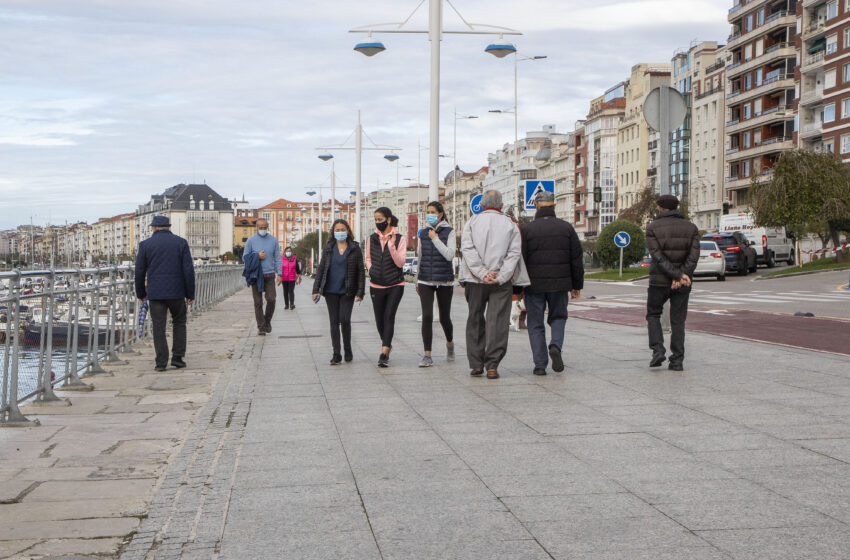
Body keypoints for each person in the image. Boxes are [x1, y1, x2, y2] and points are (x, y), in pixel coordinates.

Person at [459, 190, 528, 379]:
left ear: (481, 205)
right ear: (501, 205)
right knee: (497, 322)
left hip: (475, 280)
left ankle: (476, 364)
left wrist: (482, 273)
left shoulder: (471, 222)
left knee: (475, 319)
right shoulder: (511, 224)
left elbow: (467, 249)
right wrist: (501, 275)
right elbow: (514, 253)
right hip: (500, 282)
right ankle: (492, 366)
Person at [521, 191, 584, 376]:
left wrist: (518, 287)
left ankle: (540, 365)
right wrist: (576, 285)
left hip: (534, 285)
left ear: (536, 206)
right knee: (558, 317)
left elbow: (521, 259)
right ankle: (555, 345)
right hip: (560, 284)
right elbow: (576, 258)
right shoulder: (566, 228)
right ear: (554, 206)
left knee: (535, 323)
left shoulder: (527, 230)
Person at [645, 194, 700, 371]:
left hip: (659, 281)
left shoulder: (652, 228)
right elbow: (693, 257)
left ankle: (658, 350)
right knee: (678, 320)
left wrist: (676, 275)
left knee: (653, 314)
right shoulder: (691, 228)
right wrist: (681, 275)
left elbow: (657, 257)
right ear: (676, 208)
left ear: (660, 208)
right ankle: (677, 360)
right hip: (683, 282)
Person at [134, 215, 195, 372]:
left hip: (156, 293)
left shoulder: (145, 245)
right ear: (169, 226)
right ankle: (177, 358)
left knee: (158, 327)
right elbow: (188, 270)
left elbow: (139, 271)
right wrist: (190, 294)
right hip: (177, 292)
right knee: (179, 323)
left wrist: (140, 293)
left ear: (154, 228)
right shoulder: (181, 243)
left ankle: (161, 362)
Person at [312, 220, 365, 365]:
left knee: (345, 319)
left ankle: (347, 349)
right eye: (337, 230)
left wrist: (360, 292)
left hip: (348, 290)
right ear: (333, 232)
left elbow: (361, 271)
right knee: (334, 322)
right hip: (330, 290)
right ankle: (336, 353)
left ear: (347, 231)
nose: (340, 232)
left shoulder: (355, 248)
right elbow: (321, 268)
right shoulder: (329, 248)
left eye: (342, 229)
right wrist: (316, 290)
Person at [415, 201, 456, 367]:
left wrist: (436, 239)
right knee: (427, 316)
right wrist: (417, 280)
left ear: (440, 214)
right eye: (428, 212)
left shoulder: (450, 232)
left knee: (444, 317)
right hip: (425, 279)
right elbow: (420, 257)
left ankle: (450, 343)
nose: (429, 215)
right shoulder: (423, 233)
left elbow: (449, 255)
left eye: (432, 212)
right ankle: (427, 355)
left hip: (444, 280)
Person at [365, 207, 407, 368]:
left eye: (380, 219)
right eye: (376, 219)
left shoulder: (400, 239)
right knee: (379, 320)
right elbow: (368, 258)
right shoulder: (372, 238)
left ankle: (384, 353)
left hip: (395, 284)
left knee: (389, 316)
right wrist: (371, 270)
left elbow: (400, 262)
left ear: (388, 220)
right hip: (376, 284)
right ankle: (387, 343)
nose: (378, 222)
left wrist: (391, 247)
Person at [243, 218, 281, 336]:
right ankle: (261, 327)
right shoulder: (250, 240)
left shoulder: (273, 240)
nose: (263, 229)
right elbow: (245, 257)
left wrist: (280, 274)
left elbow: (278, 258)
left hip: (269, 275)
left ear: (267, 227)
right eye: (261, 228)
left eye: (265, 227)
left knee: (271, 299)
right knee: (258, 302)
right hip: (255, 275)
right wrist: (257, 256)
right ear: (257, 228)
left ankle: (267, 321)